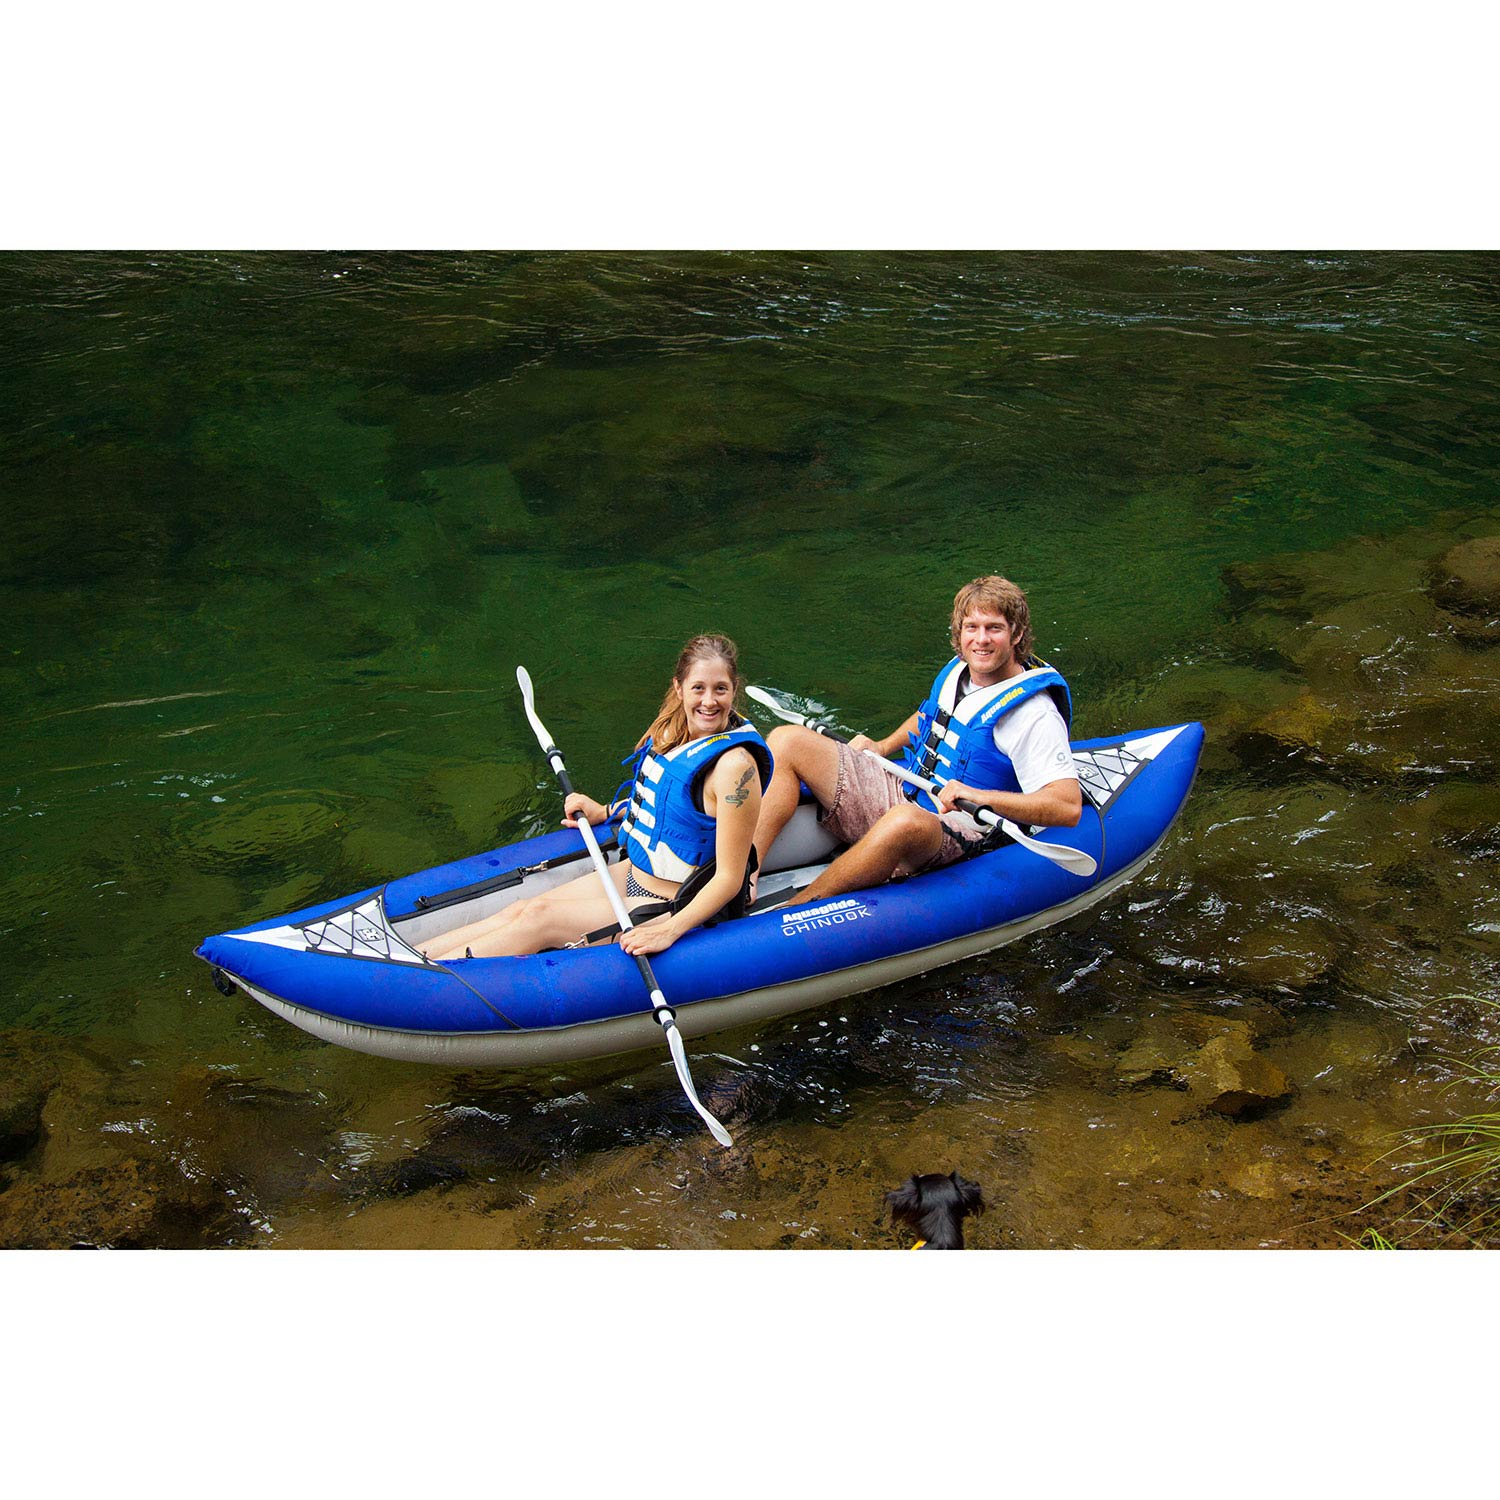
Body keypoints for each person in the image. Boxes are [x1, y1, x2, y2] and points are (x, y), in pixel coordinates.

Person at [430, 635, 772, 961]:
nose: (709, 701)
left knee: (539, 919)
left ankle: (429, 982)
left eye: (720, 689)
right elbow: (670, 810)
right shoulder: (675, 731)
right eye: (698, 688)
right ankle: (413, 959)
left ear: (734, 690)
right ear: (678, 687)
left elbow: (729, 879)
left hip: (674, 903)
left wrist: (668, 931)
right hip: (634, 874)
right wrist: (605, 810)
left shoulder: (735, 768)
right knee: (522, 909)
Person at [753, 575, 1081, 902]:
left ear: (1017, 633)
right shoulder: (961, 669)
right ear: (959, 631)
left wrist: (979, 796)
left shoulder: (1034, 714)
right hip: (909, 789)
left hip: (963, 829)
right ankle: (746, 875)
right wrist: (882, 746)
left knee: (903, 821)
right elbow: (935, 717)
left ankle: (796, 907)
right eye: (972, 627)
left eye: (994, 628)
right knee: (786, 740)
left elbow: (1066, 807)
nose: (981, 640)